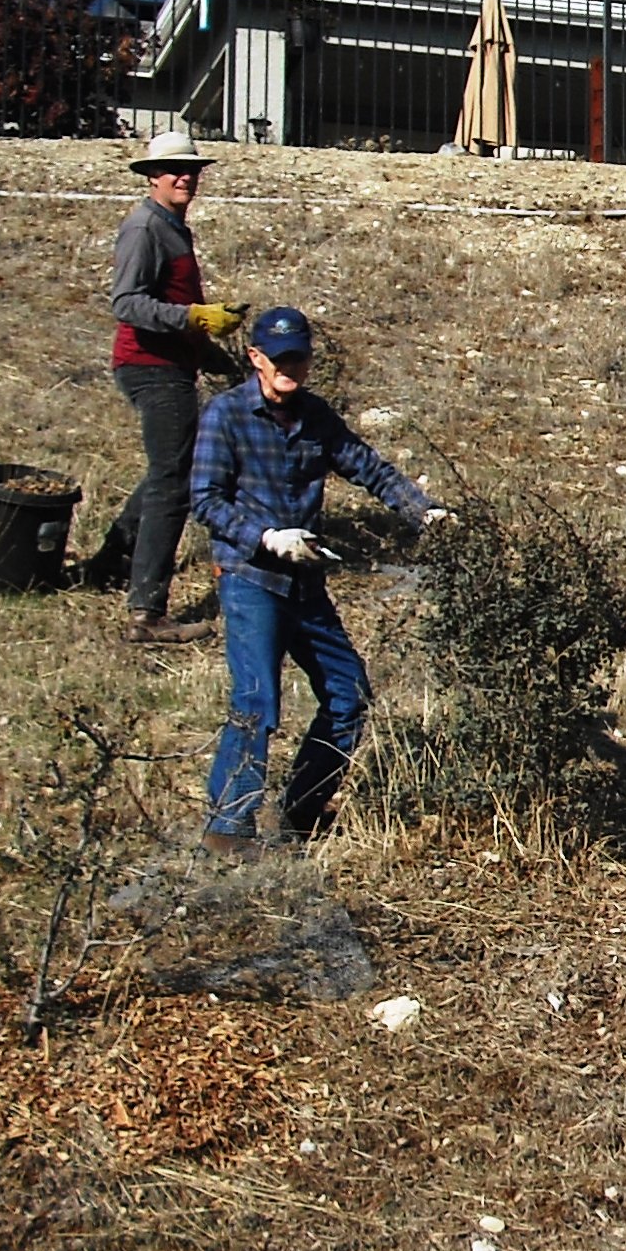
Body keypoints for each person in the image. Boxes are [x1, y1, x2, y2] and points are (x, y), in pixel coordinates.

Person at [190, 308, 451, 853]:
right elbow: (205, 499)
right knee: (257, 701)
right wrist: (265, 536)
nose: (291, 368)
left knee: (348, 695)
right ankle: (228, 830)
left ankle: (302, 812)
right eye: (280, 358)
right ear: (255, 358)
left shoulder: (316, 416)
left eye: (299, 357)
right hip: (251, 578)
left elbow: (369, 467)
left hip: (306, 585)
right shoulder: (227, 415)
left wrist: (424, 513)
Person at [77, 128, 246, 643]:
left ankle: (110, 563)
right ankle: (147, 611)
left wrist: (220, 356)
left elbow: (172, 307)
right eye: (174, 169)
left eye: (191, 169)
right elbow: (126, 303)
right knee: (175, 482)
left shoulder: (174, 228)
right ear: (151, 176)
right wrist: (195, 318)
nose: (185, 177)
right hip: (149, 366)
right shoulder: (144, 228)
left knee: (167, 469)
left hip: (170, 364)